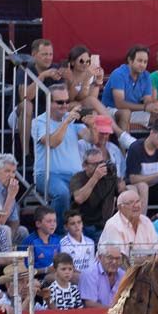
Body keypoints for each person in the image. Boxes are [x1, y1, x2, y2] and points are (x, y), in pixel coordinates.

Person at [32, 83, 90, 219]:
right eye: (60, 102)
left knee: (96, 189)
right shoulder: (39, 121)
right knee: (63, 193)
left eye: (67, 101)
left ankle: (90, 231)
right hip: (47, 175)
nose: (64, 105)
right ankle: (58, 233)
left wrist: (92, 126)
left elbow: (91, 139)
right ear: (48, 103)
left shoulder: (72, 119)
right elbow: (52, 142)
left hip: (75, 176)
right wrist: (65, 122)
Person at [101, 44, 158, 136]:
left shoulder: (146, 75)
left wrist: (152, 106)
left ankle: (153, 148)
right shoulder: (119, 74)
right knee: (125, 113)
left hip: (133, 111)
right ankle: (126, 149)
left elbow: (147, 99)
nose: (143, 65)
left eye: (145, 62)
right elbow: (120, 104)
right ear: (130, 60)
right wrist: (145, 107)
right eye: (140, 61)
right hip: (110, 111)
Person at [68, 147, 121, 241]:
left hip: (103, 225)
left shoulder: (109, 177)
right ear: (85, 165)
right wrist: (95, 177)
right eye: (95, 164)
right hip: (83, 226)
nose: (99, 167)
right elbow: (79, 199)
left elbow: (121, 194)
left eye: (101, 163)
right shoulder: (78, 178)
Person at [99, 189, 158, 257]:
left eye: (137, 201)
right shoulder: (113, 225)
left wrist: (150, 260)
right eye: (130, 203)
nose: (136, 205)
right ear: (120, 207)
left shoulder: (146, 221)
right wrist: (150, 259)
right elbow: (120, 260)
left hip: (148, 266)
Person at [22, 205, 61, 273]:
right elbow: (24, 269)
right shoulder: (30, 242)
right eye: (49, 221)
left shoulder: (57, 239)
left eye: (54, 221)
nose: (53, 224)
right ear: (38, 224)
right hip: (37, 280)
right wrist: (46, 270)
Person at [57, 210, 95, 274]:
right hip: (72, 277)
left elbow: (91, 265)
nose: (77, 226)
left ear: (82, 224)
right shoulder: (63, 244)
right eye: (72, 223)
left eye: (79, 222)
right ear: (66, 227)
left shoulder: (90, 242)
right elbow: (67, 268)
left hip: (89, 277)